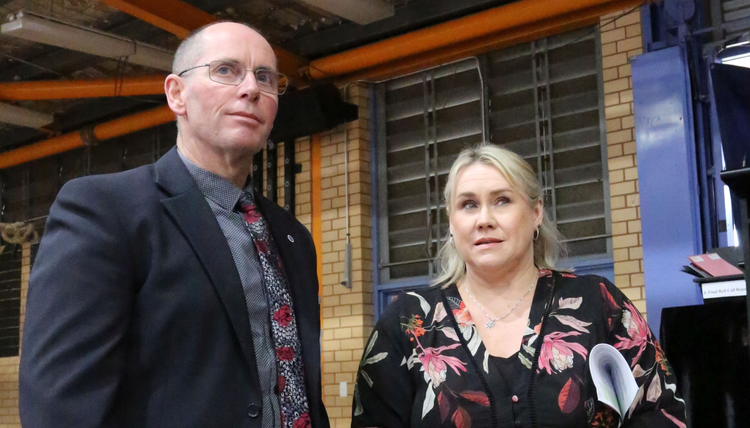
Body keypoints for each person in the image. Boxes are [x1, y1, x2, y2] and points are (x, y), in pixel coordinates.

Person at [20, 22, 328, 428]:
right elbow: (61, 406)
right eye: (226, 70)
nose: (251, 89)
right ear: (176, 94)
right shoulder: (106, 210)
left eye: (265, 77)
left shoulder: (293, 236)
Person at [352, 143, 686, 428]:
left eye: (502, 200)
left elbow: (661, 412)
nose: (484, 219)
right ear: (451, 223)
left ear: (536, 212)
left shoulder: (597, 304)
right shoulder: (408, 323)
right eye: (468, 205)